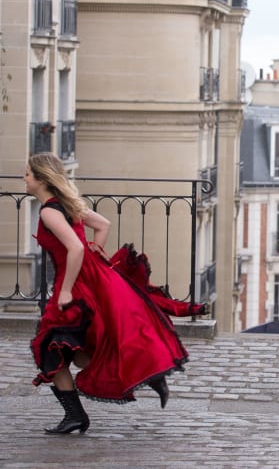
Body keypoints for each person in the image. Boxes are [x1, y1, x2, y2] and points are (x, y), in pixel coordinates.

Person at [25, 152, 203, 434]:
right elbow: (103, 225)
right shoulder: (68, 205)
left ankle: (77, 414)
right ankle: (143, 370)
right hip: (91, 277)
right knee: (77, 346)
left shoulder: (49, 210)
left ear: (41, 179)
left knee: (52, 345)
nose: (24, 179)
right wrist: (97, 247)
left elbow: (76, 248)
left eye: (28, 174)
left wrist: (66, 290)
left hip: (74, 283)